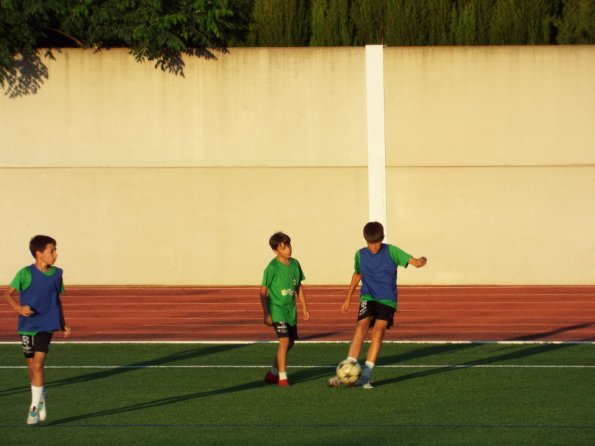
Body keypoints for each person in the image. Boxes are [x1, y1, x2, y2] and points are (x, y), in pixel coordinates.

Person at [329, 222, 427, 389]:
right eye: (370, 243)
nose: (374, 247)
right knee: (361, 326)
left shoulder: (392, 251)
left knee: (378, 332)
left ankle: (365, 377)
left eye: (377, 242)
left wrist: (422, 260)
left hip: (387, 300)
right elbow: (357, 275)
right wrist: (348, 298)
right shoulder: (360, 254)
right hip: (368, 296)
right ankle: (348, 369)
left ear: (382, 239)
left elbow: (416, 262)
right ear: (365, 241)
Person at [2, 235, 71, 425]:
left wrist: (62, 322)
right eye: (52, 250)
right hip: (27, 325)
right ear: (39, 254)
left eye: (56, 250)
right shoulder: (25, 273)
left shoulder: (57, 274)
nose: (56, 254)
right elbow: (7, 294)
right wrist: (18, 308)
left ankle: (33, 407)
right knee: (31, 366)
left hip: (47, 324)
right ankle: (40, 395)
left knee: (39, 364)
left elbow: (57, 299)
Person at [259, 232, 309, 387]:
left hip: (290, 310)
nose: (288, 249)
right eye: (283, 247)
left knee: (290, 342)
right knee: (284, 340)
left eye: (288, 245)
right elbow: (262, 291)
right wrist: (267, 313)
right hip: (277, 309)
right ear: (275, 250)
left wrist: (304, 306)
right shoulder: (272, 267)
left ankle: (272, 373)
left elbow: (298, 286)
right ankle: (282, 378)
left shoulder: (295, 264)